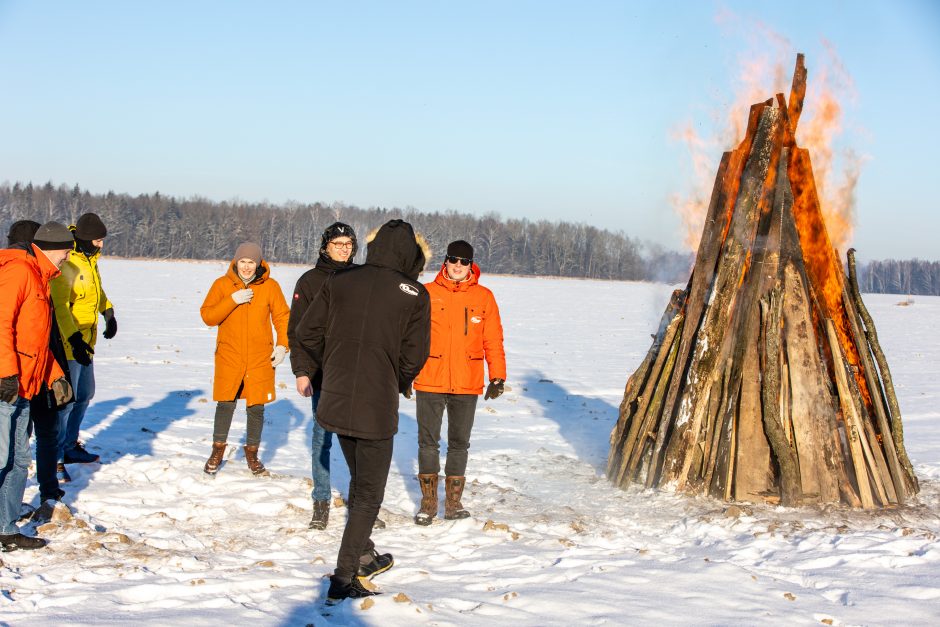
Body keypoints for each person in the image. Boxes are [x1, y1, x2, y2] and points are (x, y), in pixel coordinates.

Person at [296, 219, 430, 604]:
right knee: (369, 492)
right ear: (408, 254)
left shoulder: (340, 281)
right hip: (375, 406)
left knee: (359, 482)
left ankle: (363, 555)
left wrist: (330, 366)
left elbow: (307, 334)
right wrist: (396, 379)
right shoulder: (414, 293)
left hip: (336, 400)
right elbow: (414, 356)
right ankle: (343, 578)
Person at [412, 239, 506, 526]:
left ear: (471, 265)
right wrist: (405, 373)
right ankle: (428, 503)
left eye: (464, 262)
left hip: (467, 380)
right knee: (427, 443)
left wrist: (498, 375)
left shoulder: (484, 297)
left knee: (459, 443)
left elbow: (493, 339)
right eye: (453, 260)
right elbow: (410, 337)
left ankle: (452, 503)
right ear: (446, 261)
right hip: (430, 378)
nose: (458, 266)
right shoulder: (426, 293)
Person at [0, 221, 74, 551]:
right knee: (1, 459)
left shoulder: (41, 279)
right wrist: (5, 374)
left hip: (26, 387)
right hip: (7, 385)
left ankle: (4, 528)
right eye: (66, 252)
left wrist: (54, 374)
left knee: (17, 461)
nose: (67, 259)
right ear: (51, 249)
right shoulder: (19, 273)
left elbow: (36, 342)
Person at [287, 222, 357, 530]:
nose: (344, 249)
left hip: (355, 373)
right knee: (321, 440)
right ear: (325, 247)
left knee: (358, 442)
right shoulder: (309, 281)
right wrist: (302, 371)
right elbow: (297, 332)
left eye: (348, 244)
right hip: (321, 373)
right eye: (338, 244)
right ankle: (321, 501)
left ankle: (361, 503)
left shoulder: (361, 279)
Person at [200, 242, 290, 475]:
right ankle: (217, 449)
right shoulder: (222, 285)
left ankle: (252, 453)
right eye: (243, 262)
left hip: (260, 356)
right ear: (235, 262)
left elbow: (282, 317)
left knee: (256, 406)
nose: (247, 267)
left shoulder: (270, 287)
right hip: (229, 354)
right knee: (226, 402)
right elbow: (208, 317)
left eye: (251, 262)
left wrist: (282, 345)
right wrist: (232, 299)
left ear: (258, 263)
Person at [50, 212, 117, 481]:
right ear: (86, 239)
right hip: (69, 343)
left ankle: (69, 446)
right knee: (65, 401)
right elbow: (60, 307)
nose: (101, 245)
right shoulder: (67, 263)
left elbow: (96, 292)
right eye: (98, 240)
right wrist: (74, 339)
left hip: (86, 342)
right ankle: (53, 457)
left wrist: (108, 312)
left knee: (85, 393)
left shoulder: (91, 260)